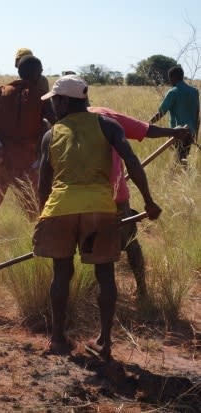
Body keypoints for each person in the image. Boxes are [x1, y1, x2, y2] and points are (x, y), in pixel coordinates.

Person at [34, 75, 162, 359]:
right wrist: (149, 201)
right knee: (105, 274)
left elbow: (44, 182)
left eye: (55, 101)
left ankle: (57, 340)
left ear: (65, 101)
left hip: (61, 209)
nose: (53, 106)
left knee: (61, 273)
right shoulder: (107, 125)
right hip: (99, 210)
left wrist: (44, 214)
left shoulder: (50, 134)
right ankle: (104, 342)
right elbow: (131, 160)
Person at [88, 106, 191, 298]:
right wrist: (173, 132)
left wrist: (173, 132)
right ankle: (140, 291)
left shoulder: (63, 123)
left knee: (93, 248)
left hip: (78, 200)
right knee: (128, 243)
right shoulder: (104, 116)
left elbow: (143, 130)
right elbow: (145, 130)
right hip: (114, 197)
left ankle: (129, 291)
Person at [0, 56, 56, 253]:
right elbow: (57, 127)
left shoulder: (0, 93)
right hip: (27, 167)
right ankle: (42, 254)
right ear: (38, 74)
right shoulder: (42, 97)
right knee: (38, 213)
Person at [148, 66, 200, 163]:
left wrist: (147, 124)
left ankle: (177, 177)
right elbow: (197, 115)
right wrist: (195, 135)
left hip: (177, 133)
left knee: (178, 161)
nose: (170, 81)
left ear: (174, 77)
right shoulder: (195, 92)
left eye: (170, 78)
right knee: (183, 159)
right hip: (190, 132)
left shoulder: (173, 92)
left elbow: (161, 113)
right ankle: (184, 177)